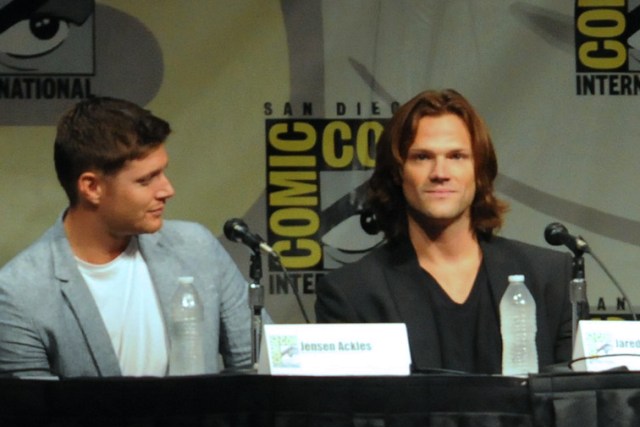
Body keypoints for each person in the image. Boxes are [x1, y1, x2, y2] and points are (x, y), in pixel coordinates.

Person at [315, 89, 573, 374]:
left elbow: (574, 397)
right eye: (422, 157)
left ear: (479, 171)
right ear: (398, 173)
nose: (440, 173)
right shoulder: (352, 293)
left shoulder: (549, 278)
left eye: (457, 156)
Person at [0, 96, 259, 378]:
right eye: (145, 180)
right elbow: (32, 405)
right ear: (92, 187)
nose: (167, 190)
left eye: (163, 172)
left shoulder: (197, 247)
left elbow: (259, 367)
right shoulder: (19, 292)